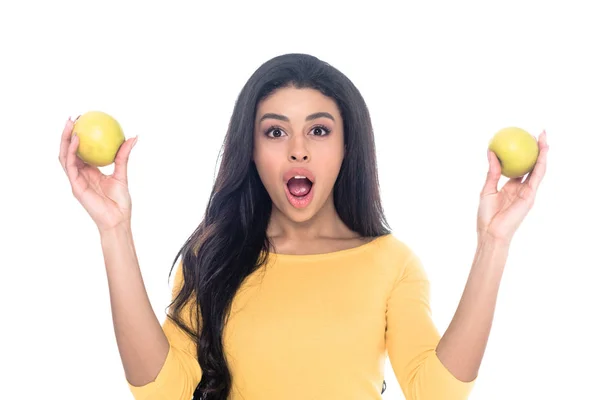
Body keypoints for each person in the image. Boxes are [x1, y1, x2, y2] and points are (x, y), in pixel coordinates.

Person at [58, 53, 549, 400]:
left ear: (345, 146)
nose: (298, 149)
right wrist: (114, 230)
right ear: (251, 150)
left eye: (319, 129)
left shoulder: (391, 263)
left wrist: (494, 242)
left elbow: (434, 393)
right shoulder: (213, 256)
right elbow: (163, 392)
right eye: (275, 131)